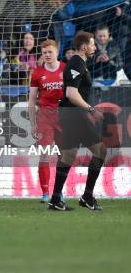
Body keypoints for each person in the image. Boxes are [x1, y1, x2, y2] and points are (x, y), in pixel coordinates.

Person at [49, 31, 105, 211]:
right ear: (83, 47)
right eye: (92, 44)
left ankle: (56, 199)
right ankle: (87, 196)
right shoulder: (76, 62)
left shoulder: (80, 63)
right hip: (74, 115)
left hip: (72, 115)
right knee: (100, 151)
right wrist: (91, 109)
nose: (94, 47)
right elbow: (71, 94)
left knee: (68, 155)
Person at [28, 39, 65, 203]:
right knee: (44, 155)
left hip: (65, 116)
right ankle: (45, 193)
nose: (47, 55)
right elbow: (31, 101)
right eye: (44, 53)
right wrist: (32, 124)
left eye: (50, 52)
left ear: (57, 52)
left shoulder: (66, 69)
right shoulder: (37, 73)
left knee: (64, 156)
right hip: (45, 117)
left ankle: (59, 192)